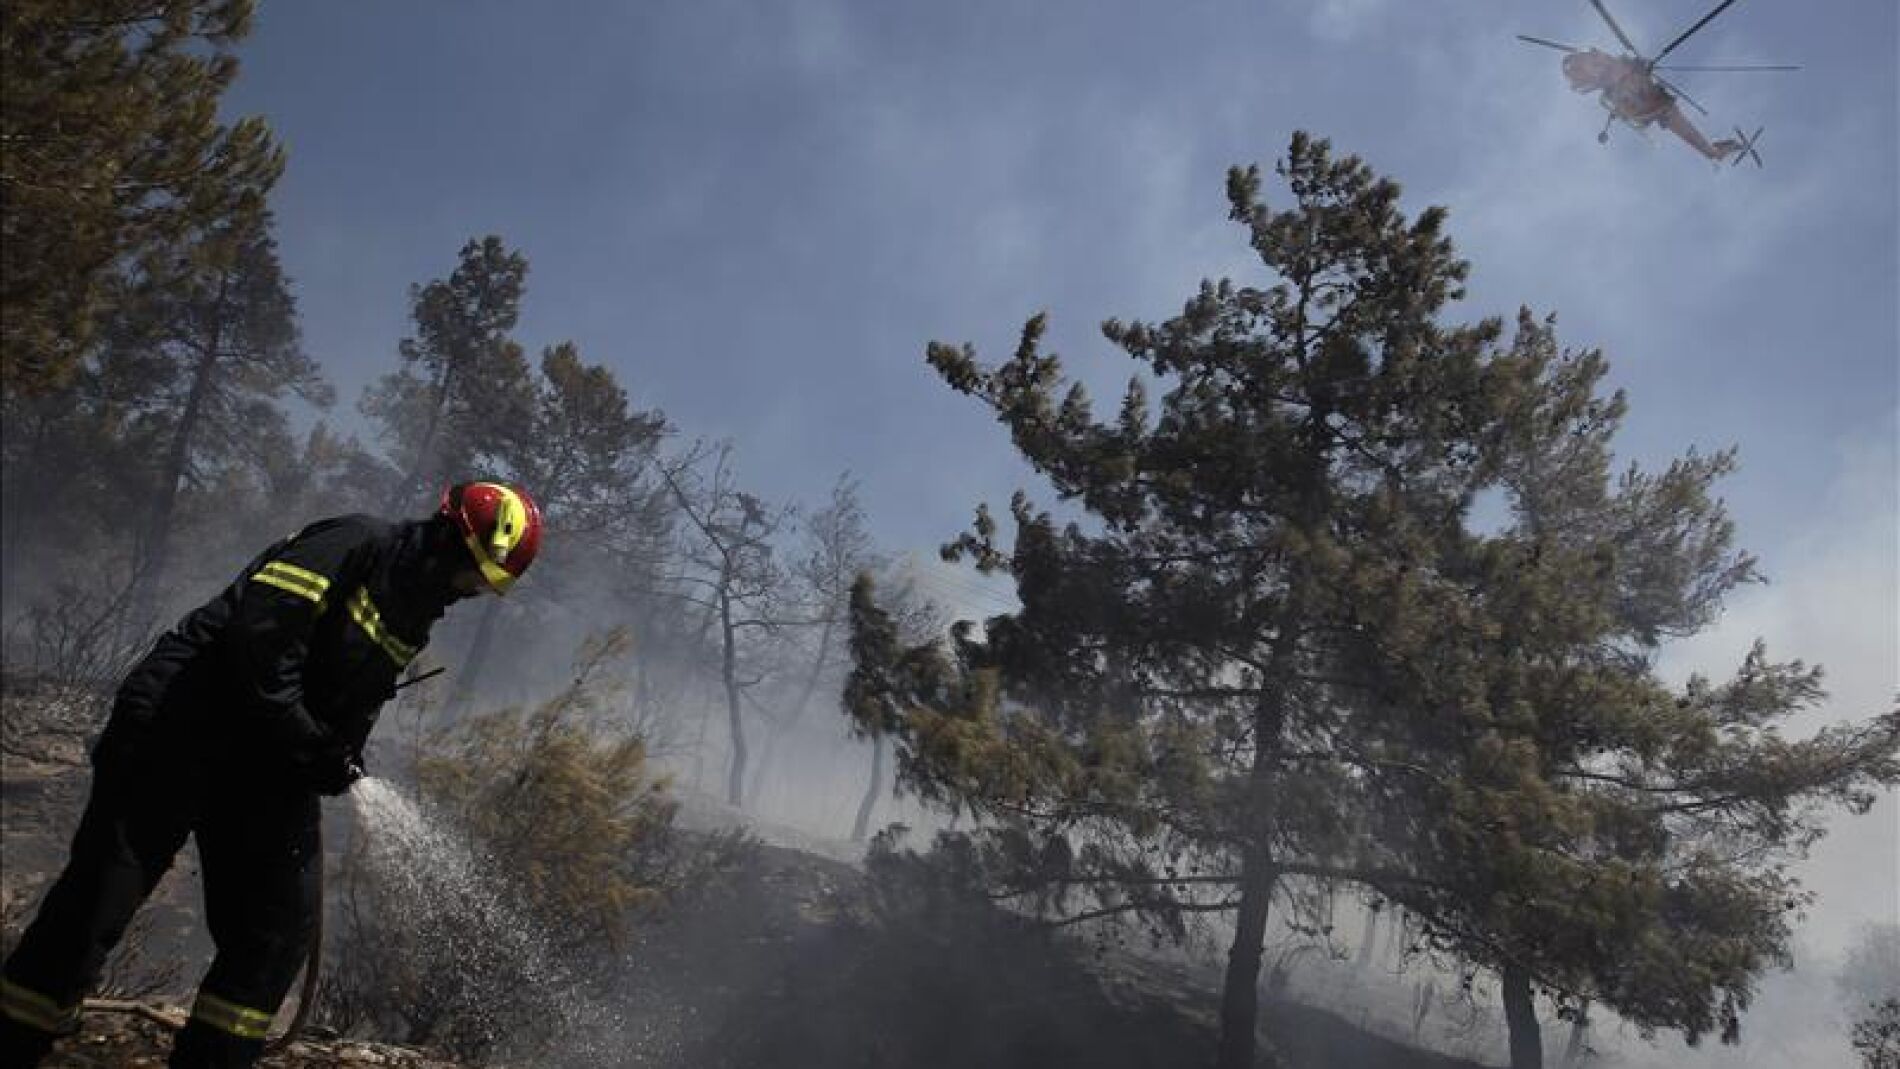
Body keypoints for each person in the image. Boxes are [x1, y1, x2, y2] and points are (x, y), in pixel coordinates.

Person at [0, 481, 542, 1068]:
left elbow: (352, 696)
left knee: (277, 928)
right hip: (181, 724)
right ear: (449, 539)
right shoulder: (354, 543)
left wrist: (340, 753)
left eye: (485, 587)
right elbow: (259, 639)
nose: (469, 593)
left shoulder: (412, 609)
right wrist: (310, 741)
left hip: (267, 760)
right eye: (474, 575)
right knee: (98, 900)